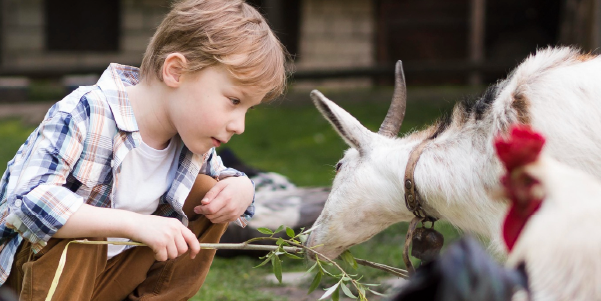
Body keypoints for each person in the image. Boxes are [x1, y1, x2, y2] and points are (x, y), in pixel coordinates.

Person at [0, 0, 287, 300]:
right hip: (32, 277)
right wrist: (134, 224)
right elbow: (26, 204)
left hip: (108, 278)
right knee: (89, 221)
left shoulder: (190, 139)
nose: (239, 126)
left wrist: (241, 188)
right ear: (176, 71)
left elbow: (224, 177)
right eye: (234, 100)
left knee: (211, 193)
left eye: (248, 110)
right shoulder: (86, 112)